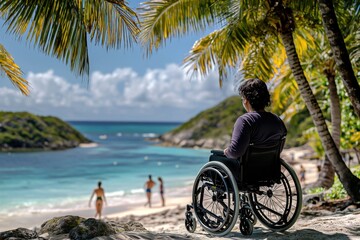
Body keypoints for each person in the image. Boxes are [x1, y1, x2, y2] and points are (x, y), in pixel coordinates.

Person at [212, 78, 287, 181]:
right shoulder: (277, 120)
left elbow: (235, 152)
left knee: (214, 157)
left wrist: (227, 152)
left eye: (242, 98)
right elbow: (279, 149)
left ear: (246, 100)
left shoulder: (245, 121)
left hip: (246, 174)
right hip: (269, 171)